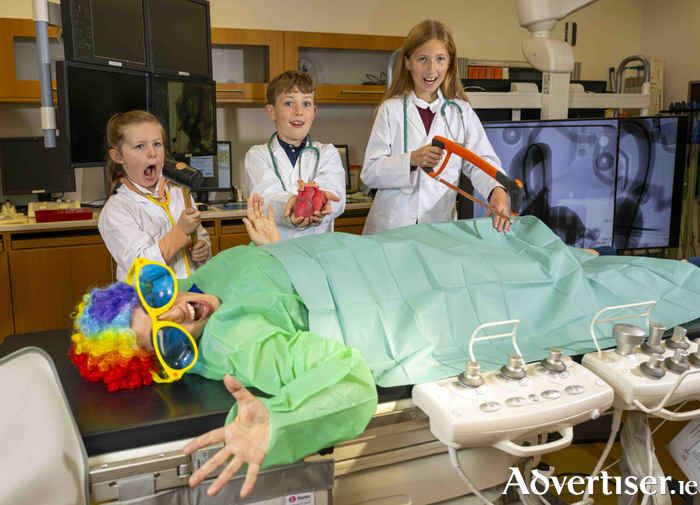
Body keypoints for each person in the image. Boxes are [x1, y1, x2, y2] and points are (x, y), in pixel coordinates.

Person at [71, 196, 700, 497]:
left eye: (158, 295)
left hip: (409, 254)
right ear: (171, 362)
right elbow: (347, 380)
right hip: (426, 309)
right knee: (585, 291)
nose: (181, 310)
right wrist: (273, 425)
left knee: (551, 258)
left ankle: (573, 263)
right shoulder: (236, 343)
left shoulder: (207, 281)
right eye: (171, 337)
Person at [362, 20, 510, 235]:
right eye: (422, 59)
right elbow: (369, 173)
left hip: (439, 227)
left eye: (440, 59)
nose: (432, 69)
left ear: (449, 62)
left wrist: (497, 189)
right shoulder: (390, 109)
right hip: (392, 227)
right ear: (408, 62)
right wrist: (411, 160)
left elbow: (482, 161)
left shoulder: (461, 112)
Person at [98, 111, 212, 280]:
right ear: (118, 156)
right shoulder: (116, 210)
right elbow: (141, 268)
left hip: (190, 292)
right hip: (151, 301)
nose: (152, 153)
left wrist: (203, 247)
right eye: (140, 146)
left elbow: (199, 233)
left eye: (157, 144)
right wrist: (180, 231)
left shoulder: (178, 191)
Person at [245, 70, 346, 240]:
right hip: (276, 247)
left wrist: (323, 204)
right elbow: (266, 197)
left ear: (313, 112)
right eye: (289, 103)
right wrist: (291, 205)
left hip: (318, 250)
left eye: (306, 104)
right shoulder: (257, 155)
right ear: (271, 112)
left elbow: (334, 193)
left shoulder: (328, 153)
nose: (299, 111)